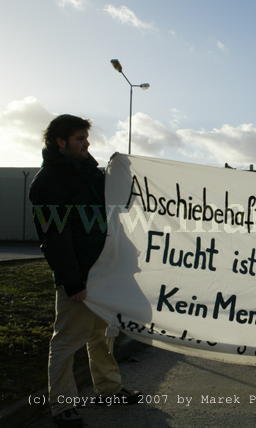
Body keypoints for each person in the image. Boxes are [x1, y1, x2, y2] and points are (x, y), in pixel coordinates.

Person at [29, 114, 140, 427]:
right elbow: (54, 237)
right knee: (66, 340)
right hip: (80, 276)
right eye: (80, 138)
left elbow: (119, 204)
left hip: (104, 270)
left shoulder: (90, 174)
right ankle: (62, 404)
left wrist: (123, 174)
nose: (86, 143)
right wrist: (73, 281)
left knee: (102, 334)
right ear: (60, 141)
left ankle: (108, 388)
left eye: (86, 138)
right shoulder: (48, 181)